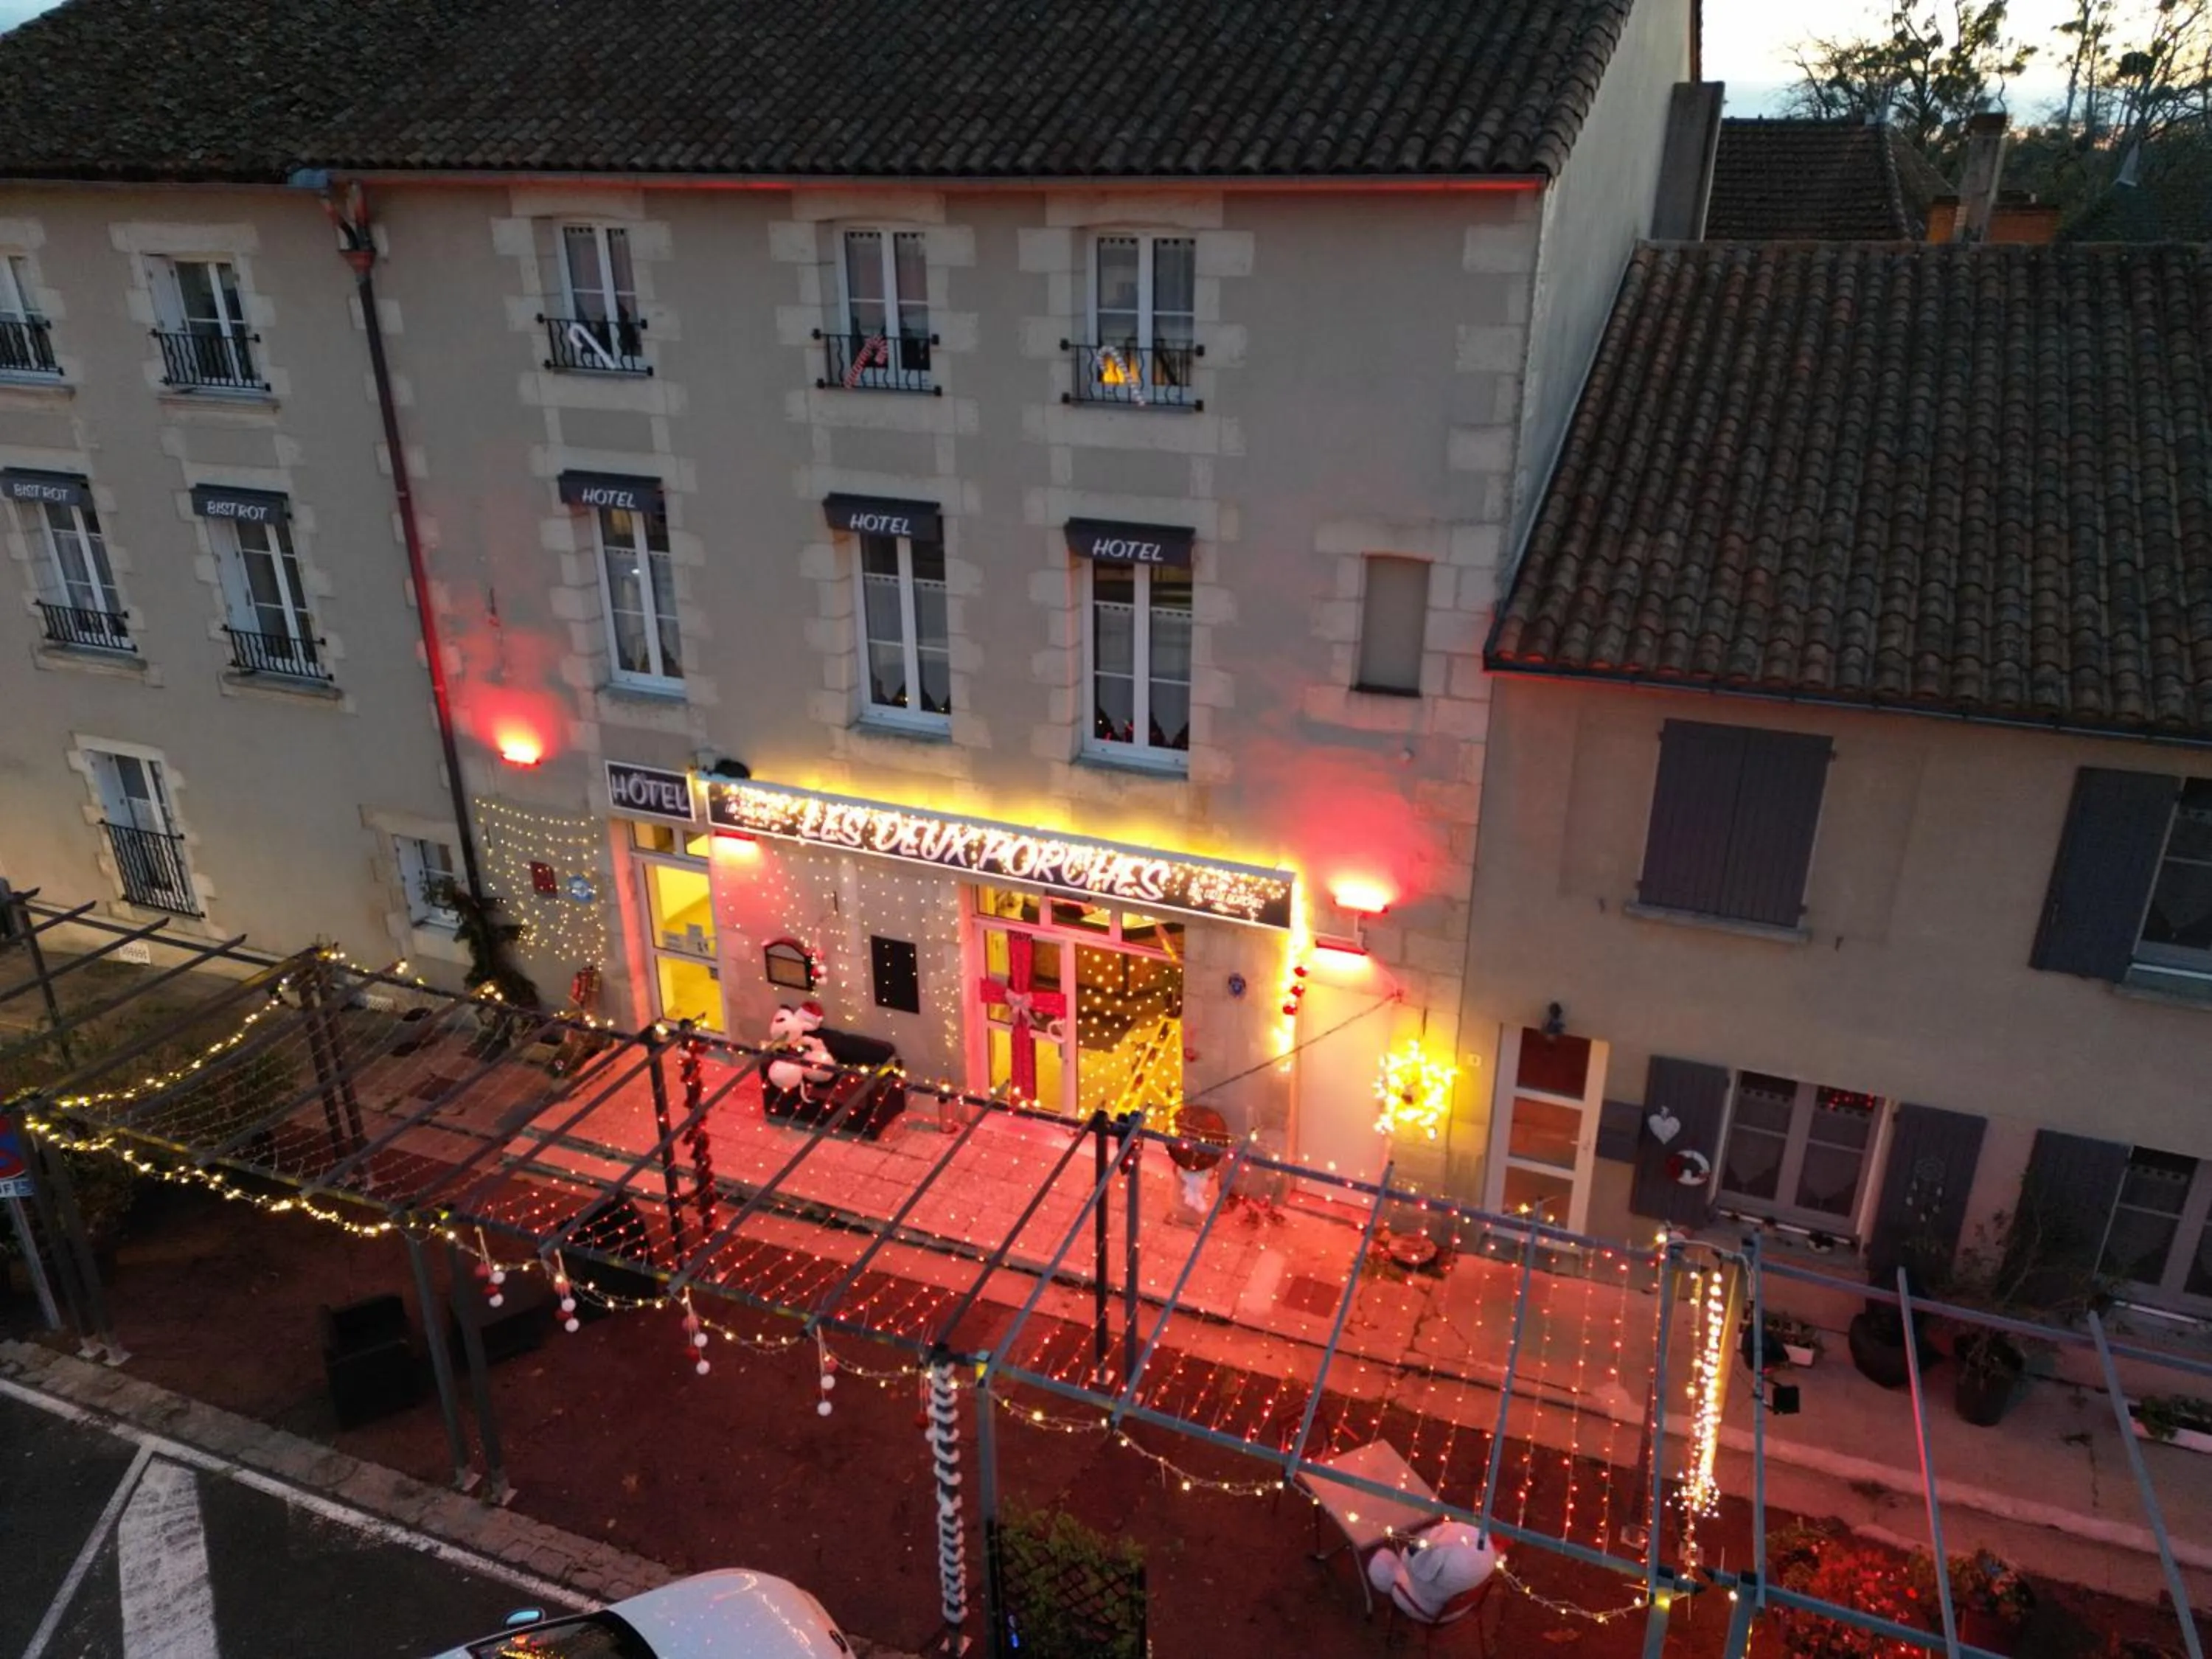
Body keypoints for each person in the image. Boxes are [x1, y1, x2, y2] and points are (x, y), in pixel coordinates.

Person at [1366, 1521, 1498, 1621]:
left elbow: (1409, 1560)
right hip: (1464, 1605)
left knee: (1383, 1564)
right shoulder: (1486, 1559)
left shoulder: (1433, 1568)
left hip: (1429, 1610)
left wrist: (1410, 1556)